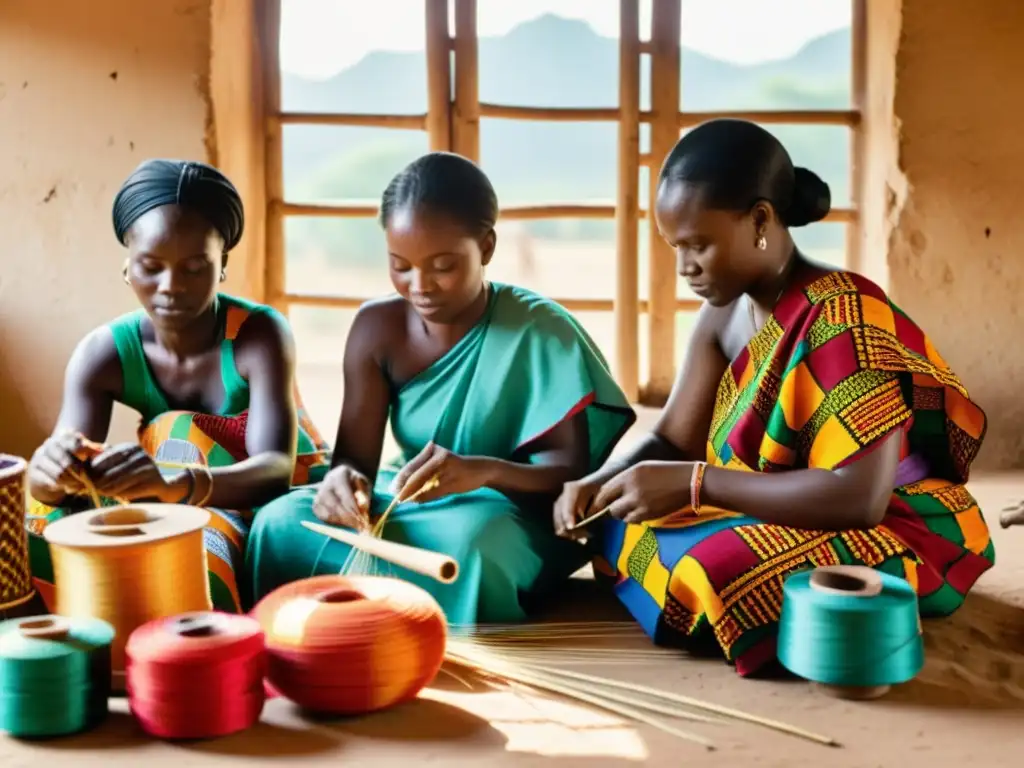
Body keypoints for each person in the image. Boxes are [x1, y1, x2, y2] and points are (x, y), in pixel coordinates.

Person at [553, 119, 994, 677]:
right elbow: (671, 437)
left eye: (699, 245)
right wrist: (600, 481)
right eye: (675, 248)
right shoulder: (723, 314)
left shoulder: (844, 314)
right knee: (619, 520)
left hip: (884, 522)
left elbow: (859, 499)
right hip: (765, 507)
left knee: (714, 567)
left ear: (760, 220)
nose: (684, 267)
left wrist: (694, 482)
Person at [245, 152, 636, 624]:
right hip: (408, 497)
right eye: (400, 265)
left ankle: (404, 622)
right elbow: (354, 462)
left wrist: (483, 471)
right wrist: (342, 486)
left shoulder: (540, 330)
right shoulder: (376, 328)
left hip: (506, 512)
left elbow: (567, 474)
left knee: (474, 550)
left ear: (486, 248)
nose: (419, 285)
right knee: (278, 525)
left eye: (443, 265)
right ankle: (332, 626)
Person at [25, 159, 331, 613]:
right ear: (128, 266)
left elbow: (274, 473)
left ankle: (198, 649)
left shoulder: (259, 335)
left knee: (184, 468)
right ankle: (80, 641)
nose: (171, 286)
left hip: (261, 495)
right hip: (174, 487)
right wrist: (51, 473)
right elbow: (60, 479)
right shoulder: (102, 354)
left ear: (222, 264)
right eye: (151, 266)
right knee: (42, 524)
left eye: (194, 267)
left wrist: (174, 482)